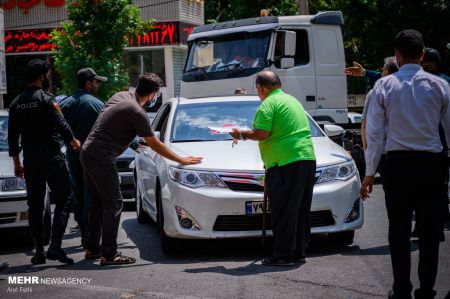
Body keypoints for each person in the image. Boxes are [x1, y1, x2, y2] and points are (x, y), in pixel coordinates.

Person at [361, 30, 450, 299]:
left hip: (397, 164)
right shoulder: (440, 86)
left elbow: (375, 135)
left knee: (398, 230)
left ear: (397, 56)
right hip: (432, 164)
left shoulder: (384, 86)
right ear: (422, 55)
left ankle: (401, 289)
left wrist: (369, 173)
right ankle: (426, 290)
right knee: (429, 231)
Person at [80, 73, 202, 265]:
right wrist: (181, 159)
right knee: (114, 202)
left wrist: (133, 142)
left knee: (97, 204)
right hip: (102, 156)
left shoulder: (120, 96)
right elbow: (154, 143)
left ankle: (92, 248)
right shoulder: (137, 112)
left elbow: (112, 123)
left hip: (88, 151)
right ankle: (109, 254)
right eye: (156, 94)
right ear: (153, 94)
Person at [230, 71, 316, 266]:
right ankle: (298, 251)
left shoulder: (268, 104)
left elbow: (262, 133)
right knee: (300, 209)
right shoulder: (292, 100)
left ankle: (282, 255)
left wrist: (240, 134)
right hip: (306, 158)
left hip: (285, 162)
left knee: (283, 210)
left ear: (260, 87)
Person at [8, 59, 81, 265]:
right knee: (65, 197)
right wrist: (74, 142)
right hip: (51, 157)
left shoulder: (16, 103)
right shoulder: (47, 99)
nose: (48, 78)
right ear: (41, 76)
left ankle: (39, 251)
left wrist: (17, 163)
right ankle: (55, 247)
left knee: (35, 205)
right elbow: (62, 124)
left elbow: (12, 138)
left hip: (30, 160)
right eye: (47, 74)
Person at [60, 67, 107, 249]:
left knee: (79, 194)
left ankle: (84, 233)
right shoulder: (96, 104)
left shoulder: (65, 104)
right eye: (96, 82)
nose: (98, 85)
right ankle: (91, 237)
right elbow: (110, 127)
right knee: (92, 195)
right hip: (93, 156)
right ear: (88, 83)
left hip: (72, 155)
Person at [360, 59, 399, 187]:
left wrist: (367, 154)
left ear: (385, 71)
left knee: (391, 194)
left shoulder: (374, 93)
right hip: (403, 150)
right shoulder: (407, 90)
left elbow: (366, 126)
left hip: (383, 151)